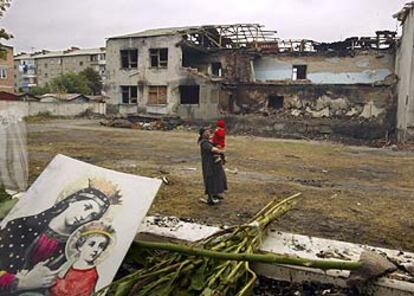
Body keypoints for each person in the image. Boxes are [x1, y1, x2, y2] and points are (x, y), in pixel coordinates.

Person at [0, 178, 122, 295]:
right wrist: (22, 283)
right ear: (72, 201)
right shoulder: (20, 226)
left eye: (93, 215)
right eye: (87, 207)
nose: (85, 217)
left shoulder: (74, 248)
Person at [49, 222, 115, 296]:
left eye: (101, 246)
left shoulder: (91, 275)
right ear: (81, 245)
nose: (95, 250)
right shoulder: (68, 264)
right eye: (91, 244)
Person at [198, 127, 228, 205]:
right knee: (210, 180)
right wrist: (221, 151)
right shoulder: (204, 143)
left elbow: (218, 146)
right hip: (209, 165)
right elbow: (214, 150)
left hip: (215, 164)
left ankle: (216, 194)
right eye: (206, 132)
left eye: (209, 132)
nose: (208, 133)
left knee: (218, 178)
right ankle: (210, 199)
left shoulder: (209, 141)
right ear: (202, 134)